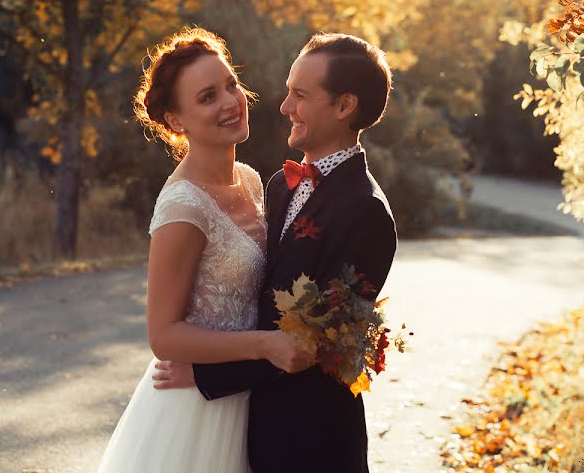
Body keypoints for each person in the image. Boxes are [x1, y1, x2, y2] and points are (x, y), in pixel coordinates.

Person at [152, 33, 398, 473]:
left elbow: (321, 344)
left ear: (344, 107)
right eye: (287, 92)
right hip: (247, 420)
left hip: (311, 437)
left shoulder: (367, 212)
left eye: (300, 95)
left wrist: (207, 376)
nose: (283, 106)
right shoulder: (276, 184)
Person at [97, 27, 312, 473]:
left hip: (254, 398)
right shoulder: (182, 207)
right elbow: (163, 335)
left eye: (231, 84)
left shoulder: (252, 181)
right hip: (198, 411)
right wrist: (265, 345)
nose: (231, 102)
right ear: (177, 120)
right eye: (208, 96)